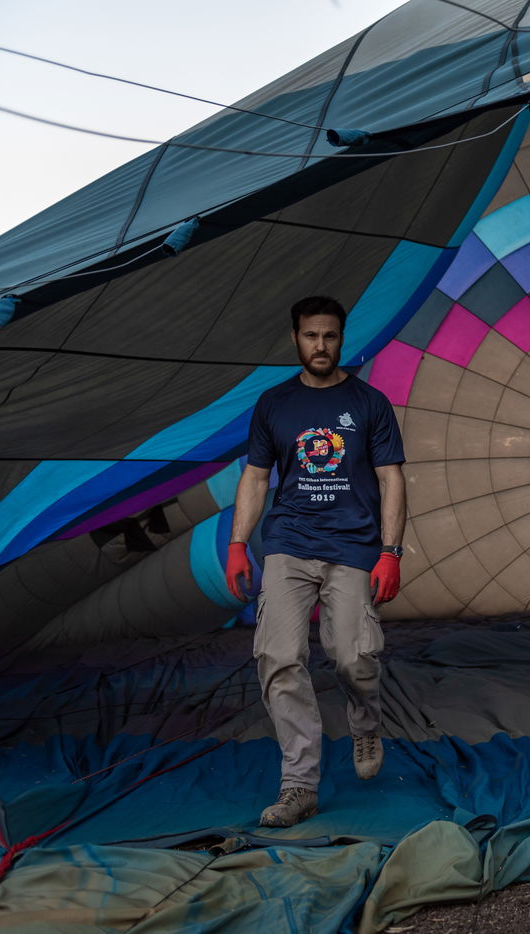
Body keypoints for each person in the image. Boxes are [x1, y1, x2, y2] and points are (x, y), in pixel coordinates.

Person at [225, 295, 407, 828]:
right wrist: (239, 542)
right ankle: (299, 785)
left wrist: (390, 552)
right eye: (311, 336)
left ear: (341, 339)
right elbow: (256, 477)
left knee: (352, 657)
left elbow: (390, 476)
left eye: (329, 336)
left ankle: (365, 721)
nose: (320, 345)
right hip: (289, 542)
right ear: (295, 339)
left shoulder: (370, 403)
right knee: (278, 657)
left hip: (352, 545)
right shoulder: (274, 404)